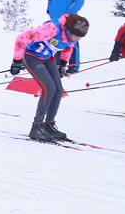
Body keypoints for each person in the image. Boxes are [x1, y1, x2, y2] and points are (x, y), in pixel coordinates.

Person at [10, 13, 90, 141]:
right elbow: (21, 38)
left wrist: (63, 64)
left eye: (80, 38)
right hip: (32, 57)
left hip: (47, 57)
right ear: (68, 30)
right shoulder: (51, 29)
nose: (76, 40)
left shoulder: (71, 38)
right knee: (49, 88)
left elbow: (68, 48)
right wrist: (17, 61)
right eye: (76, 36)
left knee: (58, 90)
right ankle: (37, 127)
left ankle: (49, 125)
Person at [46, 0, 85, 72]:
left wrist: (69, 12)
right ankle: (57, 64)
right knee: (55, 40)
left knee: (72, 41)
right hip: (55, 19)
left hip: (69, 19)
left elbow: (80, 1)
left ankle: (74, 66)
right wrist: (49, 9)